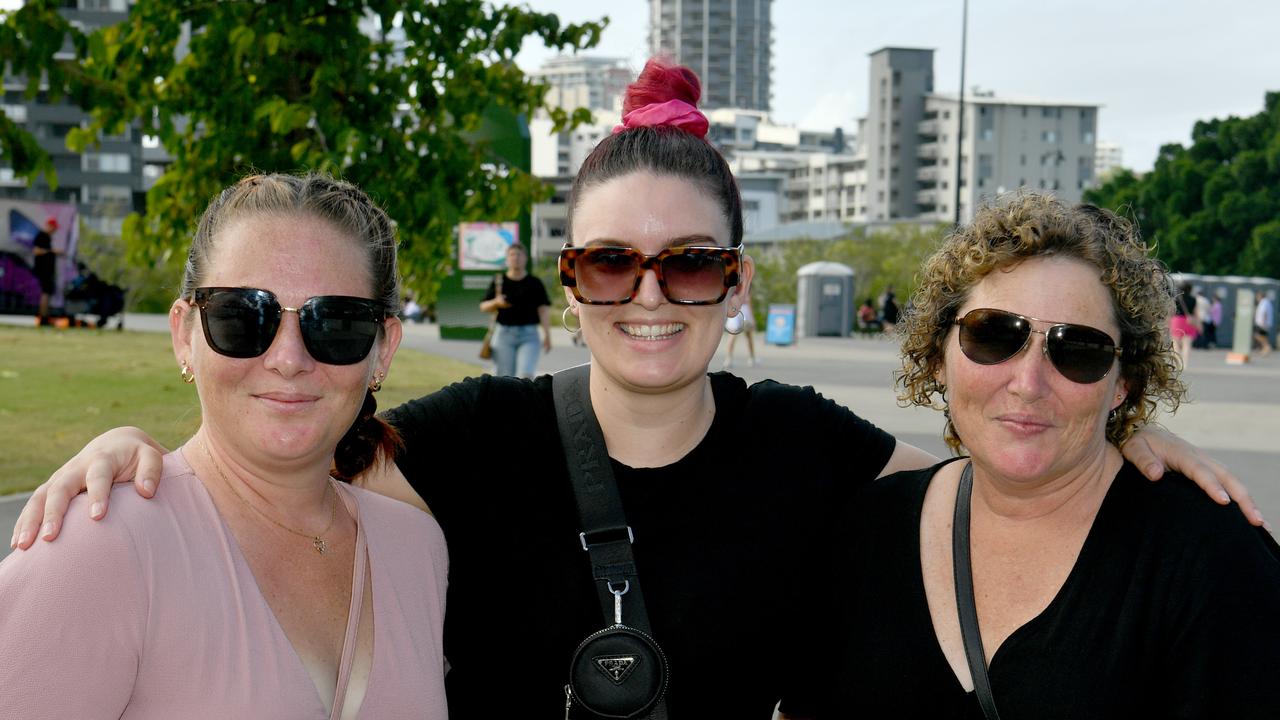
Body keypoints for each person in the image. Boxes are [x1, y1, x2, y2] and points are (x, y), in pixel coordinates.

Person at [8, 63, 1259, 719]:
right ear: (567, 282)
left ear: (736, 281)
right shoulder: (464, 440)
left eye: (689, 260)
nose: (648, 293)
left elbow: (994, 459)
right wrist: (137, 449)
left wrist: (1125, 452)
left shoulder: (810, 448)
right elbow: (280, 431)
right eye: (610, 258)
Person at [0, 173, 449, 718]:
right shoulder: (97, 547)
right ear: (184, 335)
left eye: (334, 322)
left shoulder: (416, 549)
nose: (288, 358)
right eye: (241, 316)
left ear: (383, 350)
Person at [816, 195, 1280, 717]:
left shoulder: (1212, 559)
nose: (1028, 384)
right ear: (938, 355)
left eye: (1079, 350)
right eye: (993, 335)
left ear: (1124, 383)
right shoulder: (866, 531)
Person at [479, 241, 552, 378]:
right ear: (507, 259)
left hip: (529, 335)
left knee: (526, 375)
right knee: (504, 377)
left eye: (519, 255)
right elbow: (483, 306)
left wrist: (547, 335)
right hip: (504, 334)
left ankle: (523, 399)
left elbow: (543, 310)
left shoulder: (534, 283)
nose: (516, 258)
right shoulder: (499, 281)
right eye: (512, 255)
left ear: (525, 258)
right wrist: (496, 302)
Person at [31, 216, 62, 326]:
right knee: (45, 292)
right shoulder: (41, 236)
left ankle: (45, 316)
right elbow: (36, 251)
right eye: (54, 228)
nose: (55, 230)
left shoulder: (47, 237)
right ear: (49, 226)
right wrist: (52, 252)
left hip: (47, 271)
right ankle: (43, 317)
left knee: (47, 293)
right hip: (42, 270)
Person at [723, 296, 758, 368]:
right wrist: (752, 318)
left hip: (735, 309)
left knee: (732, 336)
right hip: (744, 309)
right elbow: (748, 300)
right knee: (748, 336)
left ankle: (729, 359)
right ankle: (751, 358)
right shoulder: (746, 286)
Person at [1170, 280, 1198, 368]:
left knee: (1176, 343)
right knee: (1187, 344)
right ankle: (1185, 364)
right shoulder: (1193, 299)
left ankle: (1177, 363)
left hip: (1177, 320)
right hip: (1189, 321)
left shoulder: (1176, 298)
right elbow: (1195, 312)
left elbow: (1171, 310)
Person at [1253, 290, 1273, 357]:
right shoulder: (1265, 302)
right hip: (1264, 323)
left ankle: (1267, 347)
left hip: (1263, 323)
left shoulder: (1264, 302)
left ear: (1260, 296)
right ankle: (1265, 349)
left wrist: (1263, 322)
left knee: (1258, 335)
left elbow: (1264, 313)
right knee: (1263, 336)